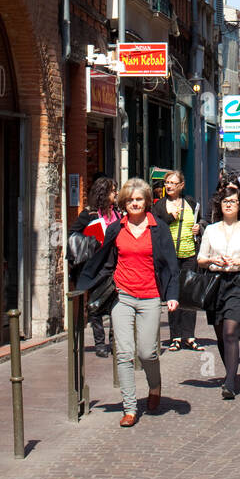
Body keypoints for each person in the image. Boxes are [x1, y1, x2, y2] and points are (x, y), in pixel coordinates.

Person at [77, 178, 179, 426]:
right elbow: (104, 260)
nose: (135, 203)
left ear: (146, 202)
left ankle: (154, 386)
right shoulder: (117, 229)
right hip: (122, 296)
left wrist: (173, 294)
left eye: (139, 199)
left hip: (151, 296)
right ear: (124, 202)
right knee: (123, 353)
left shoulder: (159, 228)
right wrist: (84, 285)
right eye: (130, 200)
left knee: (147, 352)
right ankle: (130, 407)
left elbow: (170, 264)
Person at [197, 184, 240, 398]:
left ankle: (230, 382)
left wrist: (239, 261)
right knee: (220, 334)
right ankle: (230, 372)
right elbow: (201, 259)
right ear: (220, 204)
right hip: (215, 283)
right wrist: (212, 260)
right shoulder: (211, 230)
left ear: (239, 204)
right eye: (225, 201)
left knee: (231, 331)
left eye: (233, 201)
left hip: (238, 282)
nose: (229, 205)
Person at [152, 169, 204, 352]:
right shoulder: (159, 205)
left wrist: (199, 228)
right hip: (170, 256)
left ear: (181, 185)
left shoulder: (191, 203)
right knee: (172, 296)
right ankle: (175, 336)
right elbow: (155, 227)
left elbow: (201, 221)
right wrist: (169, 217)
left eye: (173, 183)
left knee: (188, 296)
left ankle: (189, 335)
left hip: (189, 254)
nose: (169, 186)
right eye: (167, 183)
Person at [70, 175, 119, 356]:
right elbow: (73, 235)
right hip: (96, 266)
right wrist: (93, 240)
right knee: (95, 305)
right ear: (104, 193)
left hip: (114, 265)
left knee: (116, 304)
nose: (116, 194)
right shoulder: (89, 214)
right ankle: (100, 344)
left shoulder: (117, 214)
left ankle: (115, 343)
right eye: (113, 191)